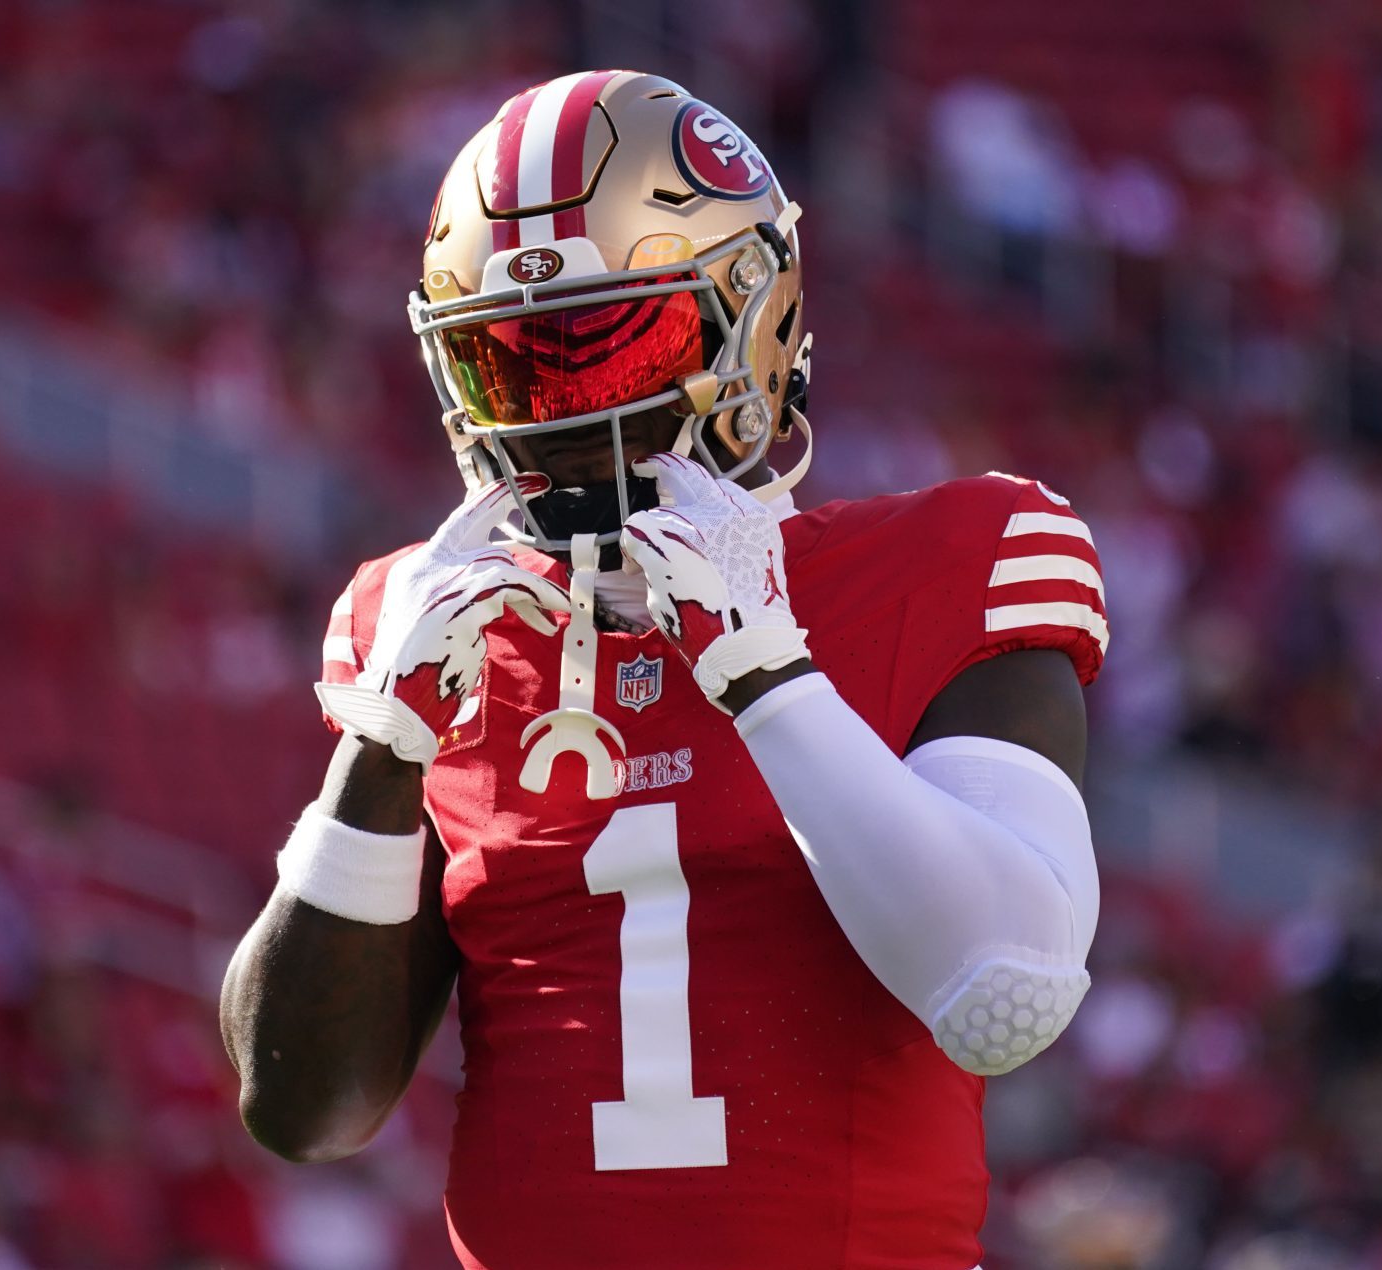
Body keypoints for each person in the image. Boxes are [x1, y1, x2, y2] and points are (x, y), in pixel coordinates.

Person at [220, 70, 1108, 1270]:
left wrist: (768, 678)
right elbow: (303, 1108)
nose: (561, 420)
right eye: (511, 371)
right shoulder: (429, 624)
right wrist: (380, 749)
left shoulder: (949, 559)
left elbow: (1006, 991)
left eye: (605, 350)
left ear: (755, 316)